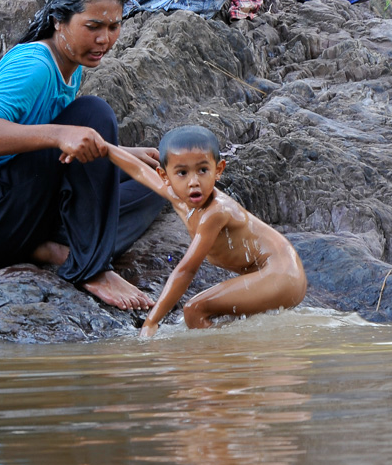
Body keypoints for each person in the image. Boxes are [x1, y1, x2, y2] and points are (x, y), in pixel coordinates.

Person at [0, 0, 167, 310]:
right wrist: (62, 133)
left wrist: (120, 154)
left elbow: (62, 149)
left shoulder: (71, 64)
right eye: (93, 27)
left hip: (19, 208)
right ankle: (90, 266)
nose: (104, 39)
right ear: (59, 20)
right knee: (94, 114)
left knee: (157, 183)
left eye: (113, 26)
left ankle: (44, 247)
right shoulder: (35, 66)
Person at [106, 125, 306, 335]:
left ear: (218, 170)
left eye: (202, 170)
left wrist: (151, 322)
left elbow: (186, 270)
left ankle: (216, 362)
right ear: (165, 176)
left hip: (283, 275)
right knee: (224, 321)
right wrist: (103, 147)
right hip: (272, 274)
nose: (194, 182)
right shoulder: (176, 195)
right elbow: (139, 170)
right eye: (182, 173)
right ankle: (235, 359)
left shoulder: (215, 212)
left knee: (194, 309)